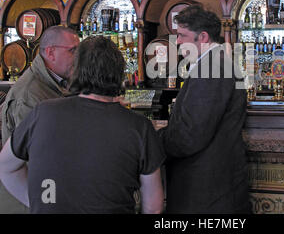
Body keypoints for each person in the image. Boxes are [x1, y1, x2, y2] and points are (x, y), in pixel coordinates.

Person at [0, 36, 165, 214]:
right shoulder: (139, 127)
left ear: (77, 70)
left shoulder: (43, 113)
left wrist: (38, 202)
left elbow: (6, 167)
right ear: (119, 73)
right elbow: (153, 207)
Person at [160, 5, 250, 214]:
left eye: (182, 35)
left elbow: (190, 135)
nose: (178, 41)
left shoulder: (211, 68)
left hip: (206, 189)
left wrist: (152, 142)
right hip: (212, 184)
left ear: (202, 37)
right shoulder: (214, 63)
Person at [0, 25, 80, 214]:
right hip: (30, 200)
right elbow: (36, 159)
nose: (78, 58)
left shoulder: (53, 83)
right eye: (73, 51)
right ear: (51, 52)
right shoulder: (30, 95)